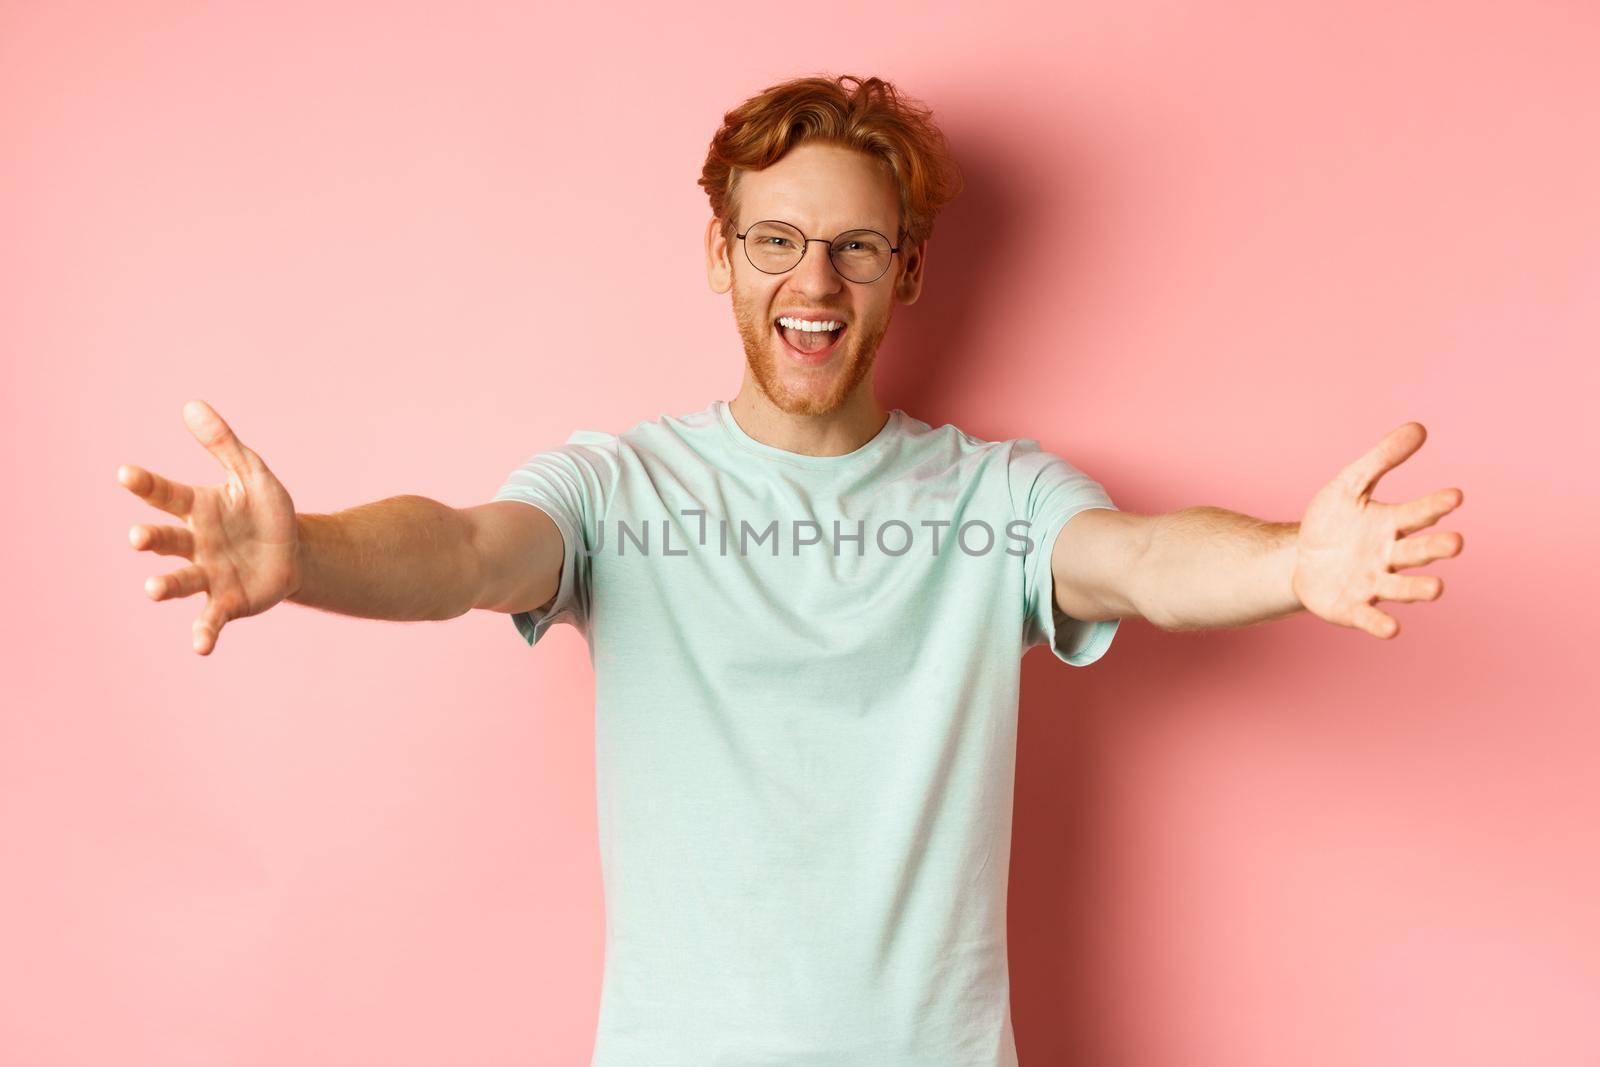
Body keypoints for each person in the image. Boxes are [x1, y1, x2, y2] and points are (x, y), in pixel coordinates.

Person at [117, 74, 1464, 1067]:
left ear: (905, 274)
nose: (812, 277)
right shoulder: (621, 489)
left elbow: (1143, 560)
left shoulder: (992, 499)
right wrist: (311, 559)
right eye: (776, 239)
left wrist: (1298, 559)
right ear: (722, 254)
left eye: (856, 245)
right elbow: (466, 549)